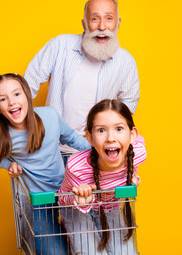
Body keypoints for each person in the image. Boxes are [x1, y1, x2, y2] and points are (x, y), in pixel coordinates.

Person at [0, 73, 91, 255]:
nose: (12, 102)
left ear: (27, 95)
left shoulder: (49, 116)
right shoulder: (2, 136)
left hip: (66, 191)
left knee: (86, 246)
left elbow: (72, 138)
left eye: (16, 94)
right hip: (38, 201)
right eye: (3, 99)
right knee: (53, 252)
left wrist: (98, 156)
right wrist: (7, 164)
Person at [24, 0, 140, 155]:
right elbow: (28, 84)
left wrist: (109, 138)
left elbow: (129, 102)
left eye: (108, 18)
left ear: (117, 23)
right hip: (52, 150)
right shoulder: (60, 45)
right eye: (94, 19)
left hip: (97, 153)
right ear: (85, 24)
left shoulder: (125, 61)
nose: (102, 26)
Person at [58, 99, 147, 255]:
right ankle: (70, 227)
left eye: (119, 128)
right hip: (76, 211)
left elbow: (133, 163)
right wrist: (78, 199)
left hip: (110, 207)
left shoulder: (138, 152)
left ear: (132, 135)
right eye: (101, 130)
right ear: (90, 137)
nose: (110, 138)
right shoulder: (77, 167)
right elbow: (62, 199)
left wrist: (133, 178)